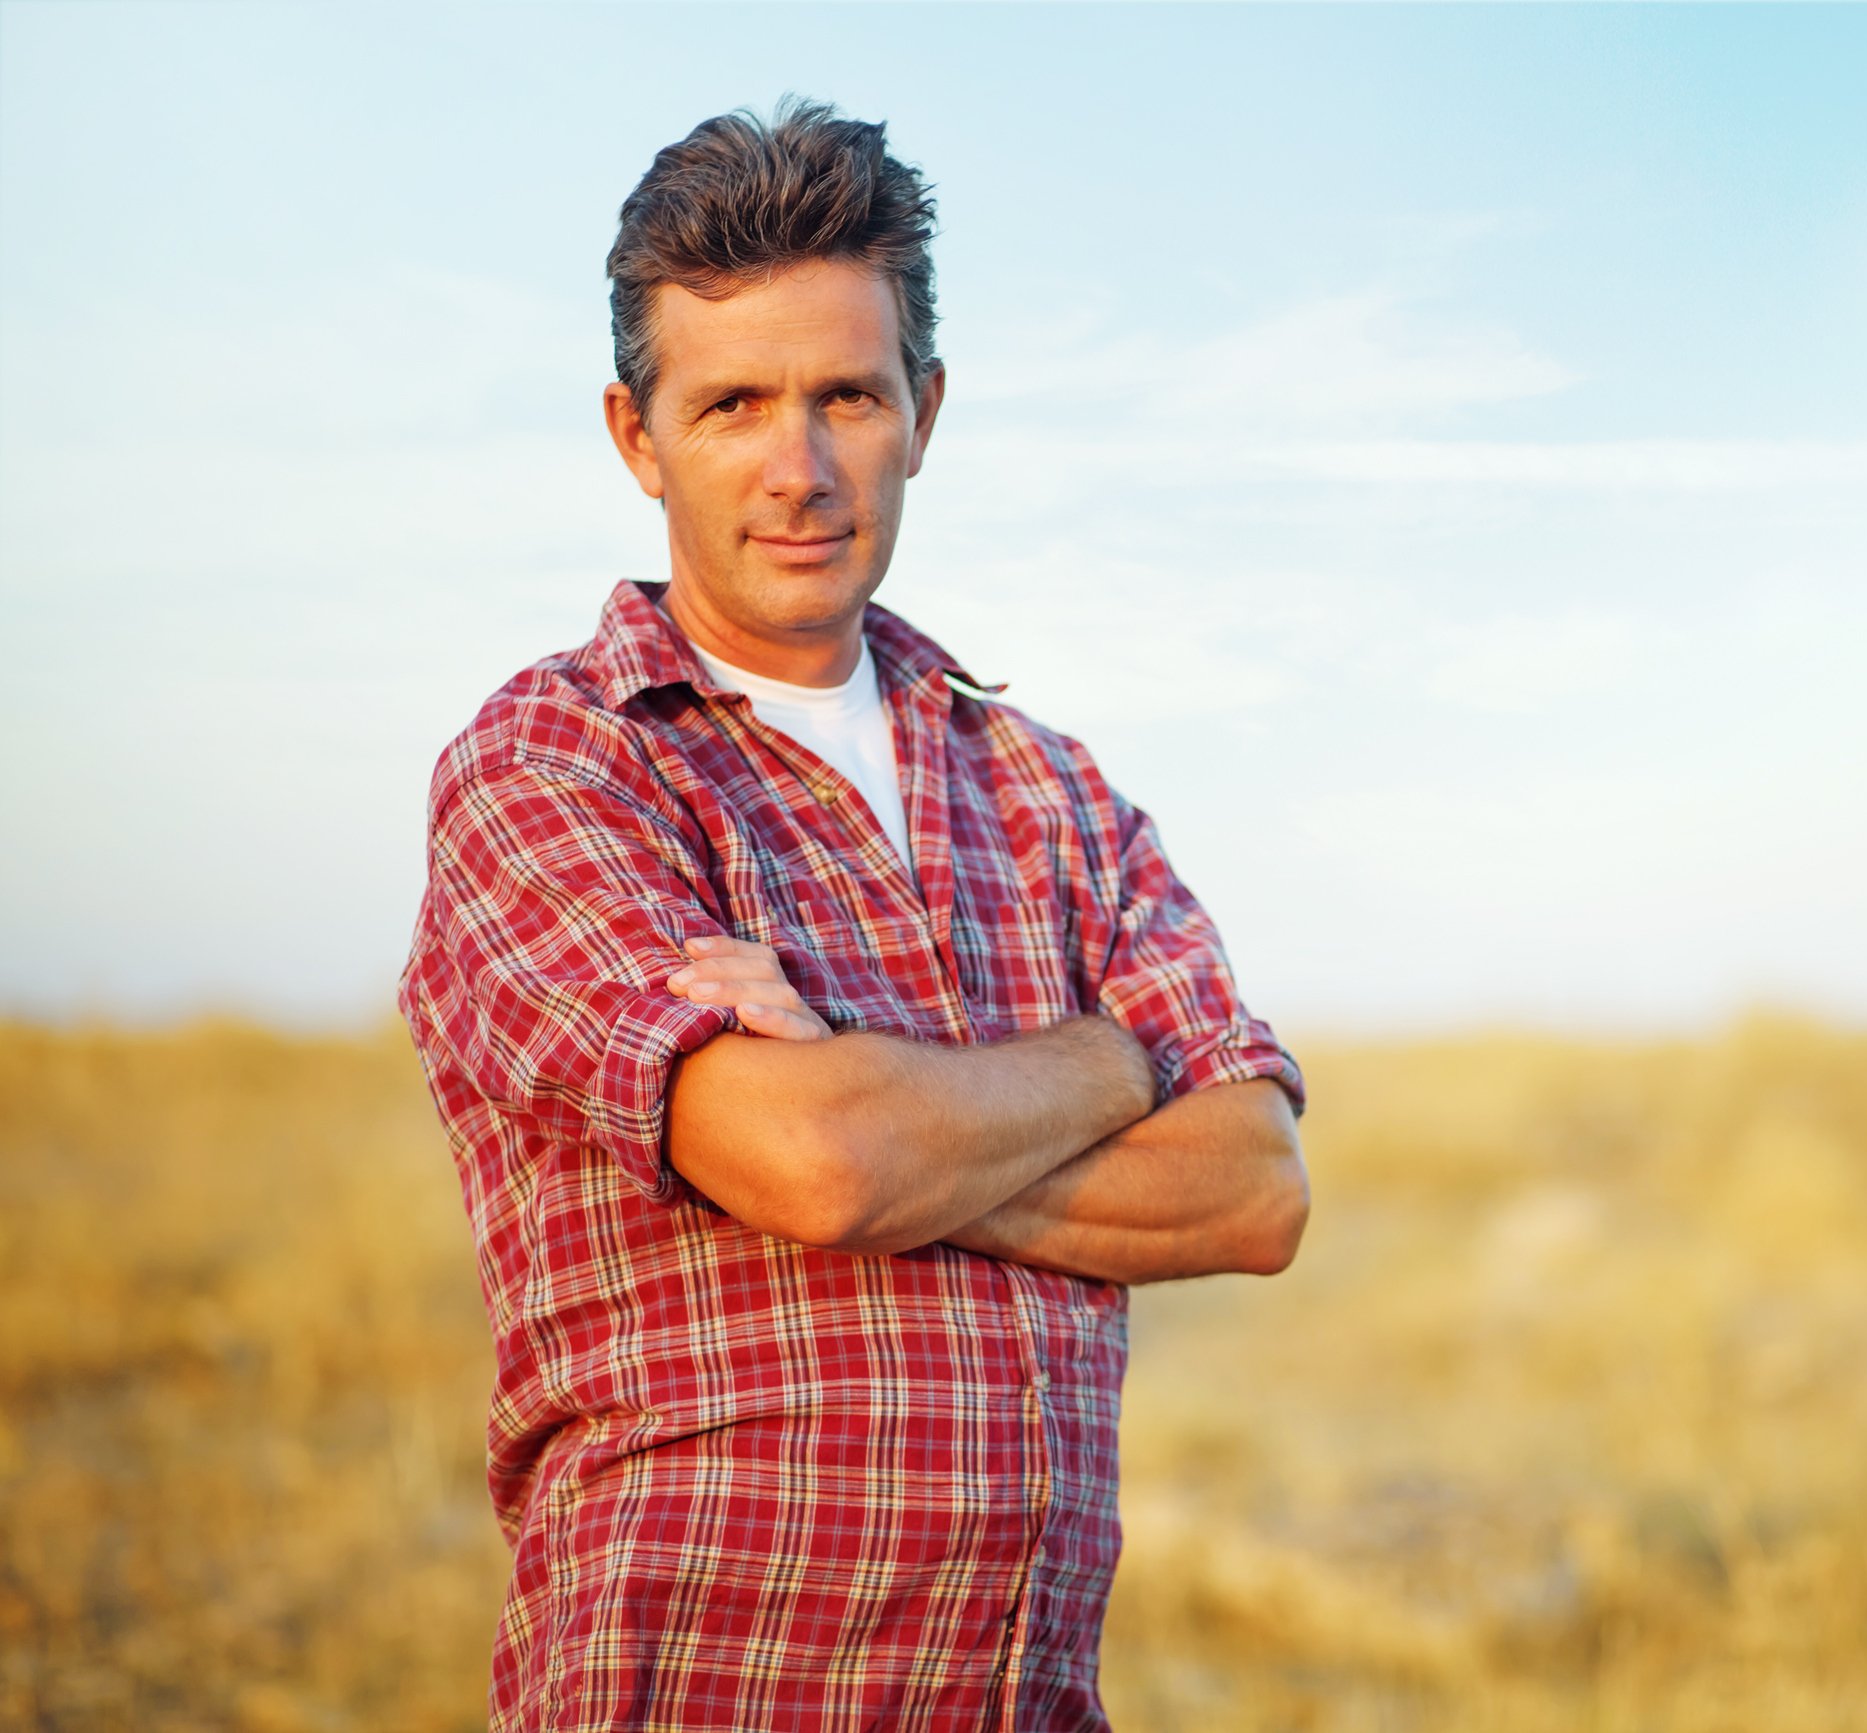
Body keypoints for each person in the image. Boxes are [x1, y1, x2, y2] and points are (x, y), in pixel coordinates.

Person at [396, 96, 1310, 1732]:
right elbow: (820, 1163)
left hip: (1020, 1699)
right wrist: (1109, 1066)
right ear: (636, 436)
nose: (800, 469)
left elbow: (1254, 1188)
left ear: (924, 410)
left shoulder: (1051, 793)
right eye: (732, 403)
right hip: (692, 1691)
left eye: (848, 396)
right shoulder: (554, 765)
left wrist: (876, 1110)